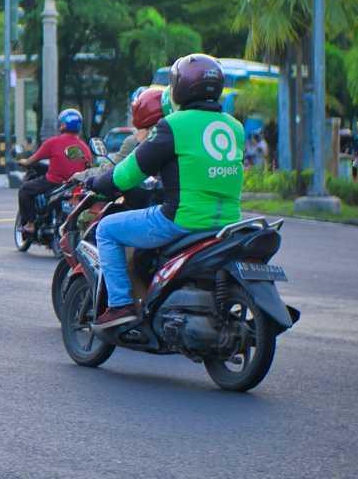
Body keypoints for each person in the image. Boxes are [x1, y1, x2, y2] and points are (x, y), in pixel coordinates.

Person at [86, 54, 245, 329]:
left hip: (182, 219)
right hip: (228, 223)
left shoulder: (174, 125)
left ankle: (120, 305)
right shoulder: (235, 127)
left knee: (107, 230)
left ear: (180, 87)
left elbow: (129, 172)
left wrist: (98, 184)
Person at [17, 109, 92, 234]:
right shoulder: (85, 148)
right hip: (74, 186)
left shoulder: (53, 142)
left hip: (53, 183)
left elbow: (32, 160)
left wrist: (23, 162)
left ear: (62, 125)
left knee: (25, 190)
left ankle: (30, 224)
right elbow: (88, 167)